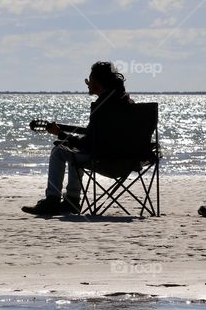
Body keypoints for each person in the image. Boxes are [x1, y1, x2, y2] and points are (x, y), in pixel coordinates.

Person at [22, 61, 134, 216]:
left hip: (105, 160)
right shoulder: (128, 103)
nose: (87, 84)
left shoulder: (101, 107)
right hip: (130, 160)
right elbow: (101, 136)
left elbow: (87, 143)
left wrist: (61, 135)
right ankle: (71, 202)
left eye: (89, 80)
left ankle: (55, 201)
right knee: (75, 151)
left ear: (97, 83)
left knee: (59, 151)